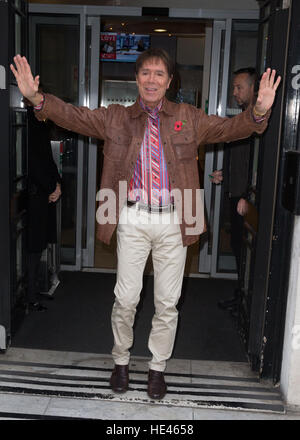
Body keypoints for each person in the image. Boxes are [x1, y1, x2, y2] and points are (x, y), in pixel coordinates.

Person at [11, 49, 280, 400]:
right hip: (132, 217)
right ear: (137, 79)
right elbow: (74, 116)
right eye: (145, 73)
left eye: (159, 74)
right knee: (126, 298)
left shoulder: (188, 116)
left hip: (175, 217)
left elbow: (231, 128)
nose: (152, 79)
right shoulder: (116, 118)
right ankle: (120, 360)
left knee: (168, 302)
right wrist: (37, 99)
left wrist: (258, 111)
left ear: (170, 81)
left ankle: (157, 368)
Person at [210, 68, 259, 311]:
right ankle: (241, 295)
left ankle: (246, 300)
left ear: (253, 88)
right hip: (236, 193)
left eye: (239, 87)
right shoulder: (242, 118)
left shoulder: (257, 121)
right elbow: (239, 158)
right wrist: (223, 173)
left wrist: (248, 196)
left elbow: (258, 163)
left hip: (245, 198)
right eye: (233, 87)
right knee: (239, 248)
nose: (234, 92)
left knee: (246, 251)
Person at [25, 87, 62, 312]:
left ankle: (33, 290)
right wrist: (53, 186)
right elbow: (35, 164)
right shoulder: (31, 124)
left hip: (44, 193)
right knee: (33, 246)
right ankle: (30, 295)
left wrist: (57, 184)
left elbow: (48, 160)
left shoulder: (39, 123)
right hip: (35, 195)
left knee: (38, 245)